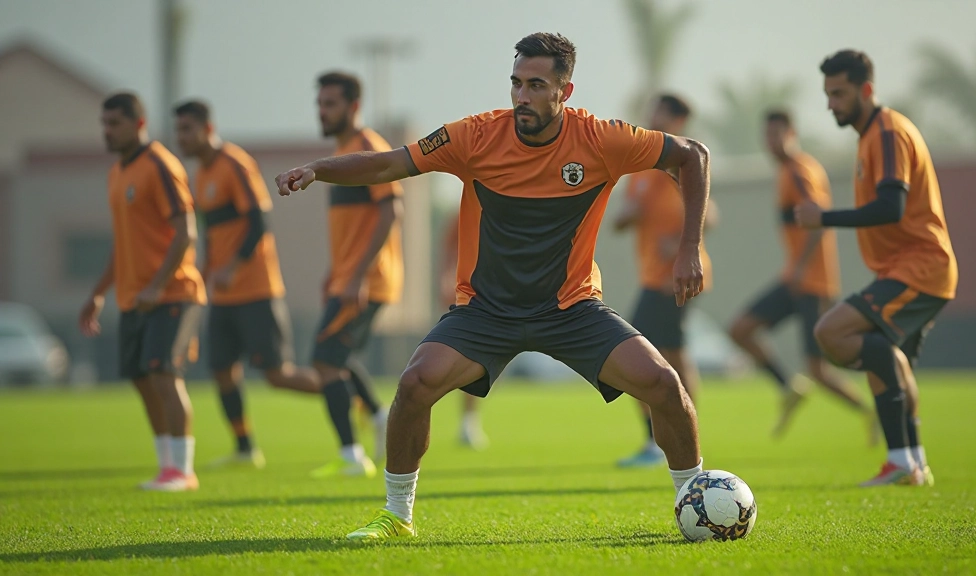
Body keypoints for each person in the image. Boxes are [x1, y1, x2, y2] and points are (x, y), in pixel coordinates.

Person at [276, 32, 712, 542]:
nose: (521, 97)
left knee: (664, 385)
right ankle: (396, 515)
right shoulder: (475, 136)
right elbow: (389, 163)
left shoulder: (600, 139)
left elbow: (692, 155)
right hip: (486, 312)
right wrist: (317, 169)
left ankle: (696, 498)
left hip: (571, 308)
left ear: (564, 92)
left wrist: (688, 249)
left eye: (535, 85)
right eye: (515, 84)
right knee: (415, 385)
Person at [795, 50, 958, 487]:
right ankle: (911, 464)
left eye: (840, 93)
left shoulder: (887, 132)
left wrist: (823, 217)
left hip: (921, 270)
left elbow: (892, 206)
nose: (831, 103)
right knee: (888, 362)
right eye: (828, 94)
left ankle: (903, 460)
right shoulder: (870, 136)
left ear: (866, 90)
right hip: (906, 270)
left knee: (832, 333)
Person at [174, 100, 322, 468]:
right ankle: (244, 448)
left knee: (277, 376)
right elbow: (214, 234)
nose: (181, 138)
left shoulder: (234, 164)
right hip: (224, 297)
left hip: (257, 291)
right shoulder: (203, 175)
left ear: (208, 129)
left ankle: (345, 396)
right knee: (222, 371)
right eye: (178, 130)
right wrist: (209, 270)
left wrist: (234, 266)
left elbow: (258, 222)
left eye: (187, 129)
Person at [78, 92, 205, 491]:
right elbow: (124, 243)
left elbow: (186, 231)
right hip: (134, 298)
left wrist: (157, 284)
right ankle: (166, 466)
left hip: (173, 293)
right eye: (104, 123)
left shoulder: (160, 165)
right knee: (141, 378)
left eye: (114, 123)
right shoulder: (117, 173)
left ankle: (184, 471)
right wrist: (98, 292)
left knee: (164, 374)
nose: (107, 131)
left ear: (138, 123)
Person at [728, 110, 873, 439]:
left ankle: (872, 411)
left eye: (777, 133)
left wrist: (801, 266)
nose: (771, 141)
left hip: (813, 283)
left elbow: (818, 220)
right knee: (740, 329)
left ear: (792, 133)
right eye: (766, 135)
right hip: (795, 279)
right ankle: (788, 387)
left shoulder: (800, 170)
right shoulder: (785, 172)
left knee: (819, 370)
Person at [307, 71, 405, 478]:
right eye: (320, 103)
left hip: (369, 279)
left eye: (330, 103)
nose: (322, 111)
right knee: (337, 358)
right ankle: (380, 419)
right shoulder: (345, 149)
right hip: (348, 276)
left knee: (325, 360)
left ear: (353, 107)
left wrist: (357, 276)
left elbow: (390, 209)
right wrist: (336, 271)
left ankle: (352, 455)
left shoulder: (367, 148)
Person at [612, 93, 717, 467]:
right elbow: (622, 219)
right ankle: (673, 438)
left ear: (676, 122)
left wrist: (682, 240)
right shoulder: (641, 164)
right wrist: (628, 216)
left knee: (635, 355)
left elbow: (712, 214)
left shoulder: (680, 161)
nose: (650, 117)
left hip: (677, 276)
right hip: (652, 276)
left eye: (659, 114)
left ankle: (665, 441)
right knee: (669, 354)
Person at [438, 213, 488, 450]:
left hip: (496, 291)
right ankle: (467, 421)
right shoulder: (464, 208)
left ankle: (469, 420)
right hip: (467, 291)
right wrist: (446, 277)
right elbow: (449, 246)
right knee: (466, 355)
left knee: (479, 359)